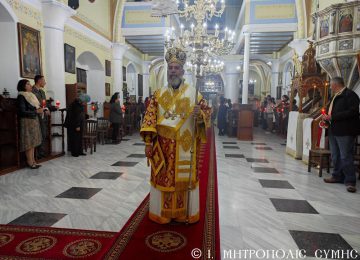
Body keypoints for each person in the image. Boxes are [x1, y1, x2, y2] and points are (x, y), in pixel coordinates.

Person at [140, 47, 211, 224]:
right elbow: (150, 118)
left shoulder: (193, 93)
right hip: (163, 146)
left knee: (183, 180)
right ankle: (163, 213)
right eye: (170, 68)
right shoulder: (159, 94)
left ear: (182, 70)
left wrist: (199, 115)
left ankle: (182, 212)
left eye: (176, 68)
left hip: (185, 145)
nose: (173, 71)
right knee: (164, 178)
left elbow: (207, 113)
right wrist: (148, 143)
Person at [323, 77, 360, 193]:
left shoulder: (350, 95)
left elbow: (353, 111)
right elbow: (331, 110)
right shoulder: (335, 95)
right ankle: (337, 176)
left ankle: (350, 181)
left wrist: (333, 117)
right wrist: (327, 117)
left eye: (330, 85)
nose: (330, 87)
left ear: (336, 84)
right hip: (333, 129)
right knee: (335, 155)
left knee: (345, 156)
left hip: (345, 130)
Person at [17, 79, 43, 169]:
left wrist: (41, 110)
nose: (30, 85)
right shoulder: (21, 96)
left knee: (34, 142)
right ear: (23, 86)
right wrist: (36, 111)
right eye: (28, 84)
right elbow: (22, 111)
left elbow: (36, 108)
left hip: (34, 120)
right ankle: (29, 162)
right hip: (27, 121)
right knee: (29, 143)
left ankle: (33, 161)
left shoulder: (31, 95)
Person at [32, 75, 50, 159]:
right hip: (35, 116)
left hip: (43, 116)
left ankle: (41, 152)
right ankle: (36, 154)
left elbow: (44, 104)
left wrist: (47, 109)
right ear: (39, 81)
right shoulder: (32, 91)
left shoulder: (42, 92)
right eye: (44, 80)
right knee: (37, 134)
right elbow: (33, 104)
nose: (45, 82)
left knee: (43, 133)